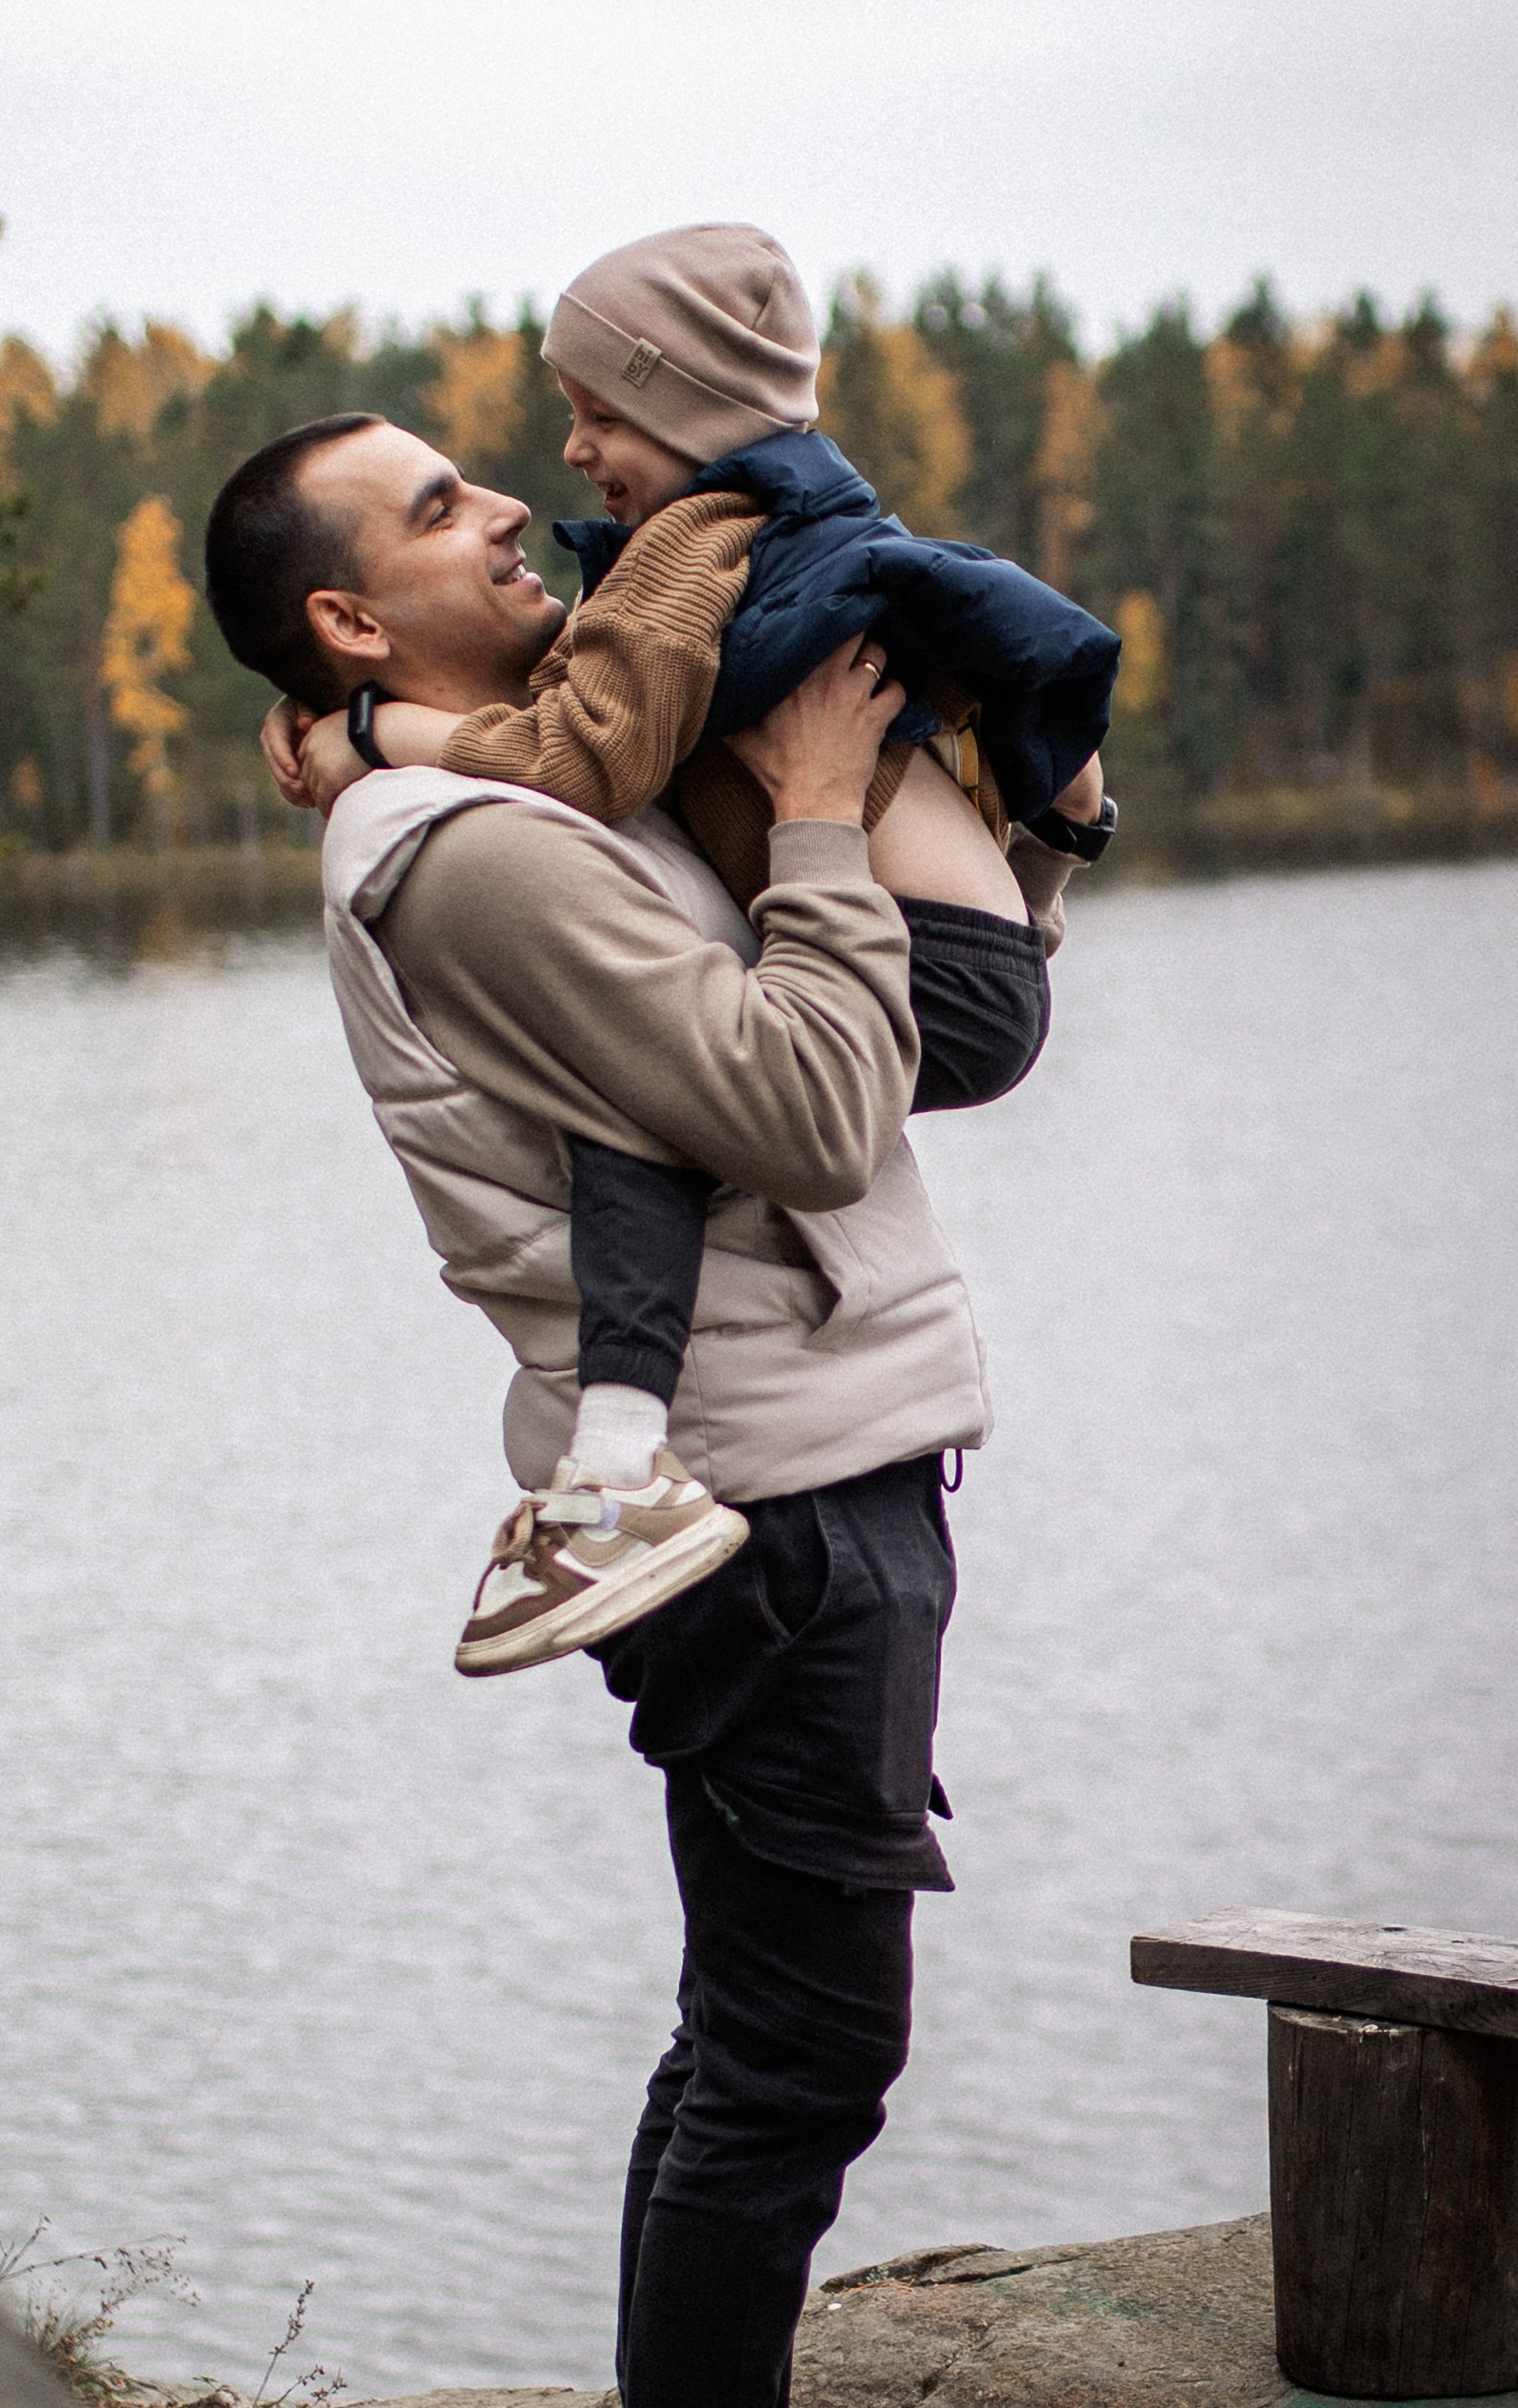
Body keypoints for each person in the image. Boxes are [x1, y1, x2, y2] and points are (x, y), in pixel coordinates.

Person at [203, 404, 1049, 2408]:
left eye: (490, 472)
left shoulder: (506, 781)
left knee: (749, 2027)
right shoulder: (466, 854)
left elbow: (892, 1040)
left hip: (801, 1446)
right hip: (754, 1498)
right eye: (447, 508)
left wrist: (894, 813)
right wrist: (798, 812)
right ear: (349, 618)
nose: (510, 506)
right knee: (800, 2046)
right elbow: (806, 1107)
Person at [233, 224, 1116, 1680]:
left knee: (647, 1101)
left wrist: (376, 723)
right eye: (446, 503)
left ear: (685, 412)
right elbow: (600, 719)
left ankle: (611, 1465)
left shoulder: (698, 548)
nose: (552, 467)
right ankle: (616, 1467)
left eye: (595, 416)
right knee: (644, 1097)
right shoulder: (728, 567)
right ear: (350, 615)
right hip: (798, 1477)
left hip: (937, 1013)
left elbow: (580, 743)